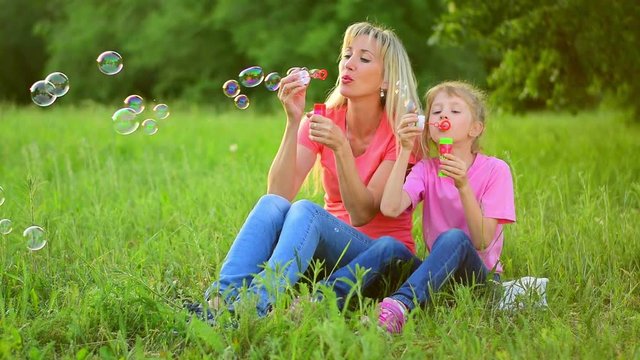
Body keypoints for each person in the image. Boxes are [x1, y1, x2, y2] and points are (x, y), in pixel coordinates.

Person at [187, 22, 421, 321]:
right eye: (347, 54)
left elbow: (362, 213)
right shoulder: (323, 118)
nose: (349, 64)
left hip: (377, 259)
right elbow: (279, 194)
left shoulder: (400, 134)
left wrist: (341, 150)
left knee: (306, 211)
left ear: (387, 79)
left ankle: (256, 306)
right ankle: (222, 301)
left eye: (364, 58)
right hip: (326, 256)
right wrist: (293, 120)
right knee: (271, 205)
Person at [316, 81, 516, 333]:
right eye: (436, 111)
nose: (444, 114)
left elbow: (483, 242)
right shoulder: (426, 169)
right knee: (388, 245)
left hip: (477, 280)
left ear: (475, 128)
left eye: (455, 111)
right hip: (436, 273)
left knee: (453, 238)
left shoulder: (496, 170)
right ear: (429, 126)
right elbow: (390, 207)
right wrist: (404, 150)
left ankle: (398, 308)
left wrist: (463, 186)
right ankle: (322, 298)